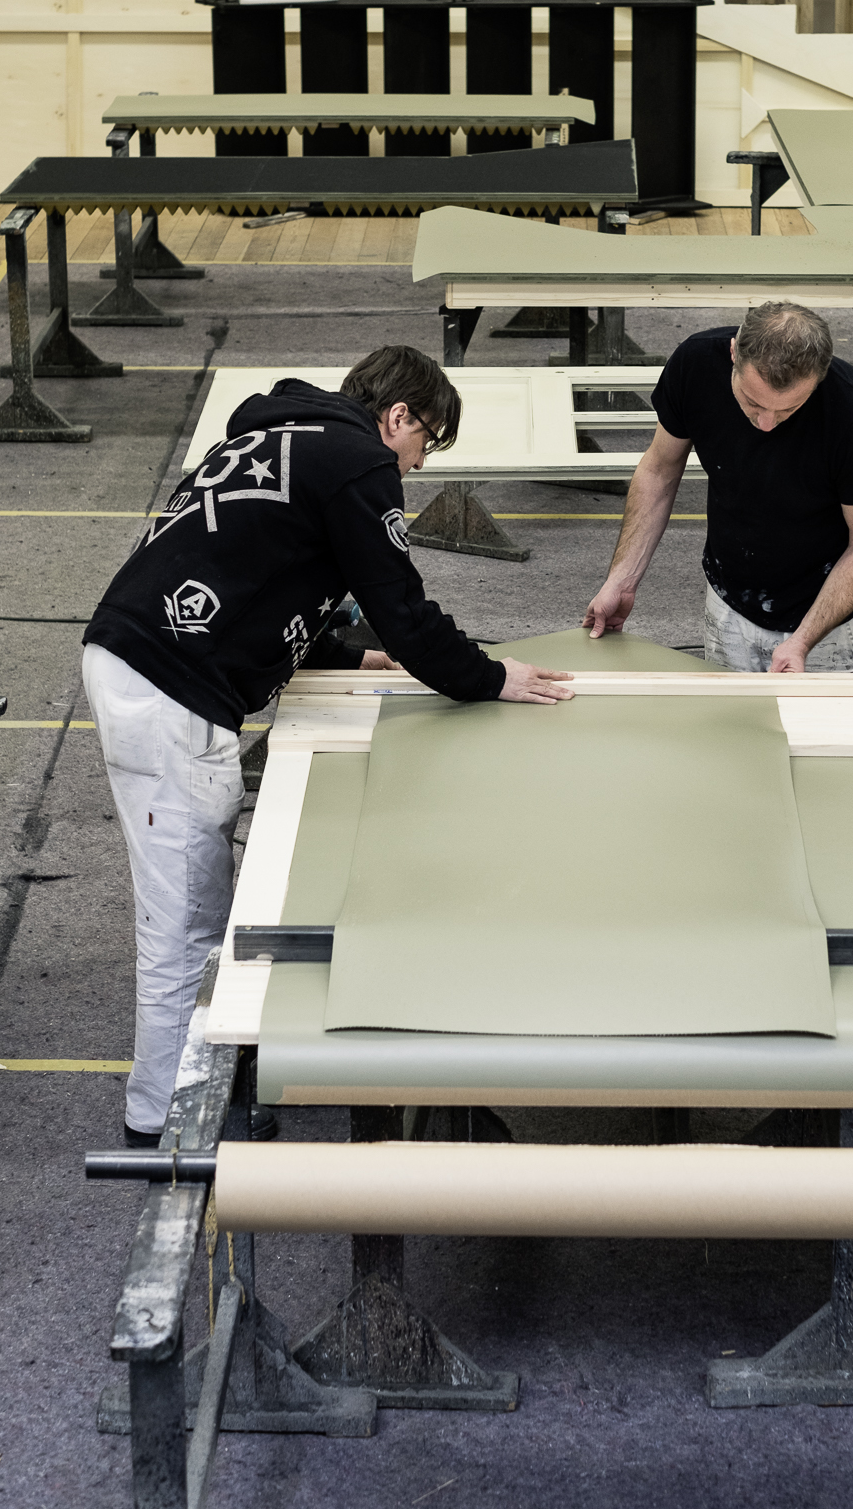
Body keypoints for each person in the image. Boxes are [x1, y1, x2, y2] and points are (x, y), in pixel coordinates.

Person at [82, 345, 572, 1146]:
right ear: (399, 416)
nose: (417, 465)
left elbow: (259, 565)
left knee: (199, 905)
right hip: (168, 685)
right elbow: (402, 608)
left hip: (140, 656)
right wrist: (491, 676)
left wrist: (343, 656)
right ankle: (163, 1123)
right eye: (425, 442)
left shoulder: (279, 434)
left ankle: (199, 1087)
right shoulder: (358, 460)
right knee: (187, 923)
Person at [583, 302, 853, 673]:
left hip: (825, 618)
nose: (766, 424)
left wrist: (802, 641)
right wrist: (622, 580)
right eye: (752, 402)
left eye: (788, 410)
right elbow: (659, 471)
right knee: (730, 713)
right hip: (729, 602)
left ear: (819, 377)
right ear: (734, 353)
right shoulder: (696, 365)